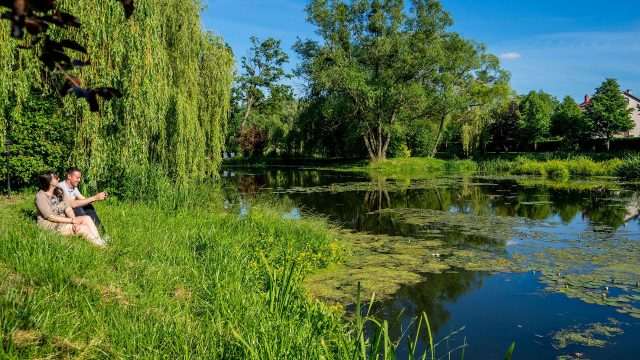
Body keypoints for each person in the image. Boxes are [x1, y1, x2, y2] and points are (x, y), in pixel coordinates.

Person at [34, 171, 106, 247]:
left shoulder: (59, 191)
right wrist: (71, 221)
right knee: (83, 228)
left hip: (64, 220)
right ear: (49, 181)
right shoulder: (40, 196)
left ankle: (99, 241)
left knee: (87, 218)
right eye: (55, 178)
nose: (58, 179)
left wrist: (74, 222)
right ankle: (103, 248)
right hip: (50, 224)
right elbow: (50, 217)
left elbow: (68, 209)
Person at [58, 167, 107, 235]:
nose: (79, 180)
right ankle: (89, 232)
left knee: (88, 206)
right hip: (63, 213)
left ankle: (102, 233)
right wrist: (95, 197)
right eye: (77, 178)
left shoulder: (73, 187)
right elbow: (72, 204)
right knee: (78, 208)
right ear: (69, 176)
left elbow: (84, 200)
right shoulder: (61, 187)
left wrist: (99, 197)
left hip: (70, 211)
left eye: (80, 178)